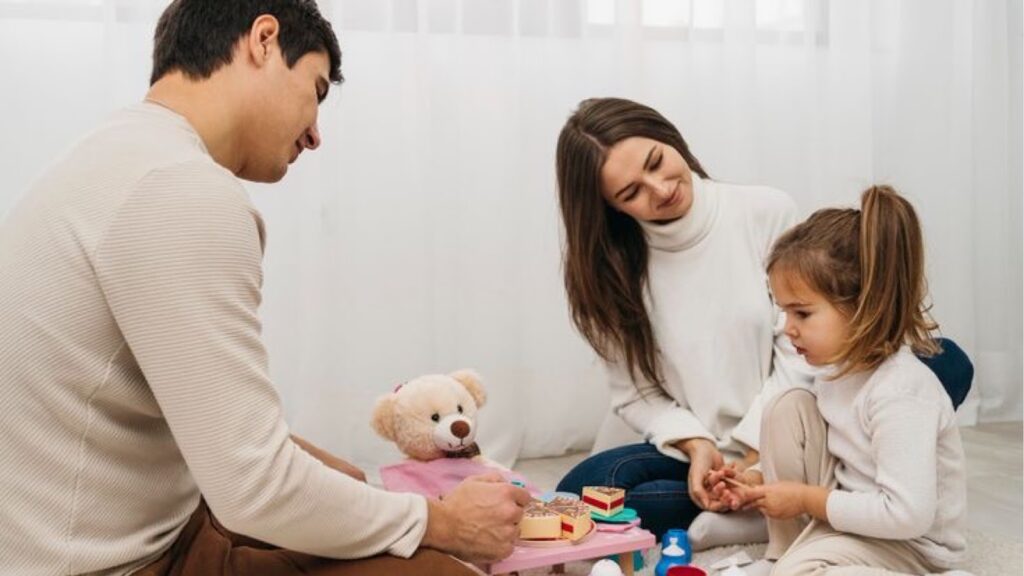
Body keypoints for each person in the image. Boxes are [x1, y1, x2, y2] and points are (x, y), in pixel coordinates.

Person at [0, 2, 528, 575]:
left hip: (93, 529)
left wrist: (375, 499)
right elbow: (254, 487)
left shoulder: (117, 154)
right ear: (264, 39)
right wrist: (444, 521)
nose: (315, 134)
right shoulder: (180, 192)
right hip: (116, 563)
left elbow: (215, 432)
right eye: (317, 91)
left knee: (350, 489)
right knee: (441, 566)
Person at [552, 98, 972, 541]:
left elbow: (803, 341)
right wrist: (698, 448)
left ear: (669, 137)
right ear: (609, 208)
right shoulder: (608, 273)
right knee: (585, 490)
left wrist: (757, 452)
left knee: (942, 362)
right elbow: (637, 393)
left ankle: (785, 495)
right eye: (631, 192)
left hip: (811, 424)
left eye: (657, 162)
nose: (659, 189)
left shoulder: (765, 210)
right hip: (710, 451)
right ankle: (771, 505)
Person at [714, 185, 967, 575]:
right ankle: (784, 552)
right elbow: (835, 453)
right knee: (788, 407)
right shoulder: (836, 372)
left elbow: (907, 516)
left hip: (913, 547)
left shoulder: (900, 392)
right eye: (783, 312)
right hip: (853, 522)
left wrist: (805, 499)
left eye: (802, 314)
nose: (787, 328)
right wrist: (756, 477)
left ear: (864, 305)